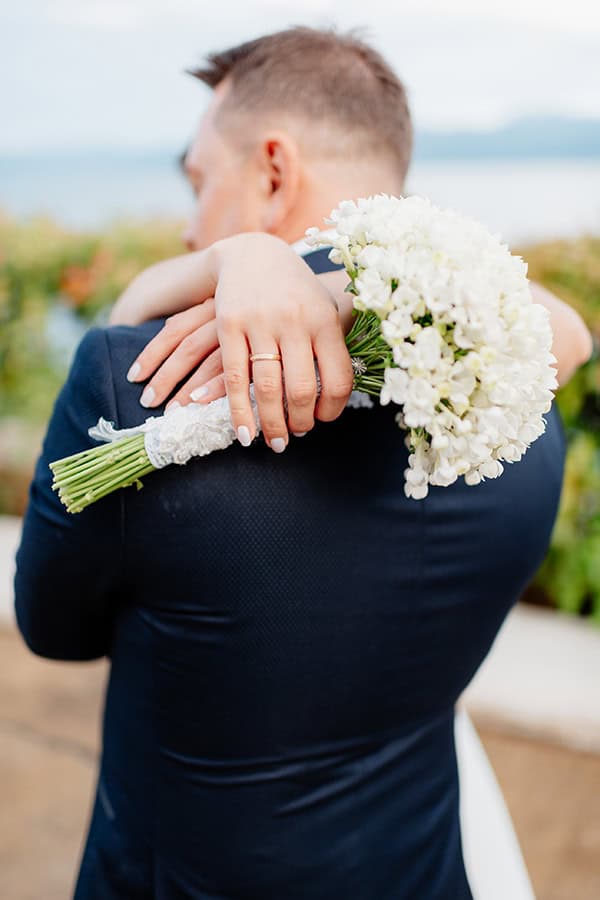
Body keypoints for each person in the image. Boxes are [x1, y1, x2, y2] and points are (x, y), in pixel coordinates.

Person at [13, 27, 591, 900]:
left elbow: (52, 628)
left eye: (201, 182)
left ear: (274, 171)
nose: (187, 222)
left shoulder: (137, 384)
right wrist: (246, 259)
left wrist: (197, 273)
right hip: (424, 871)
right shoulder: (517, 399)